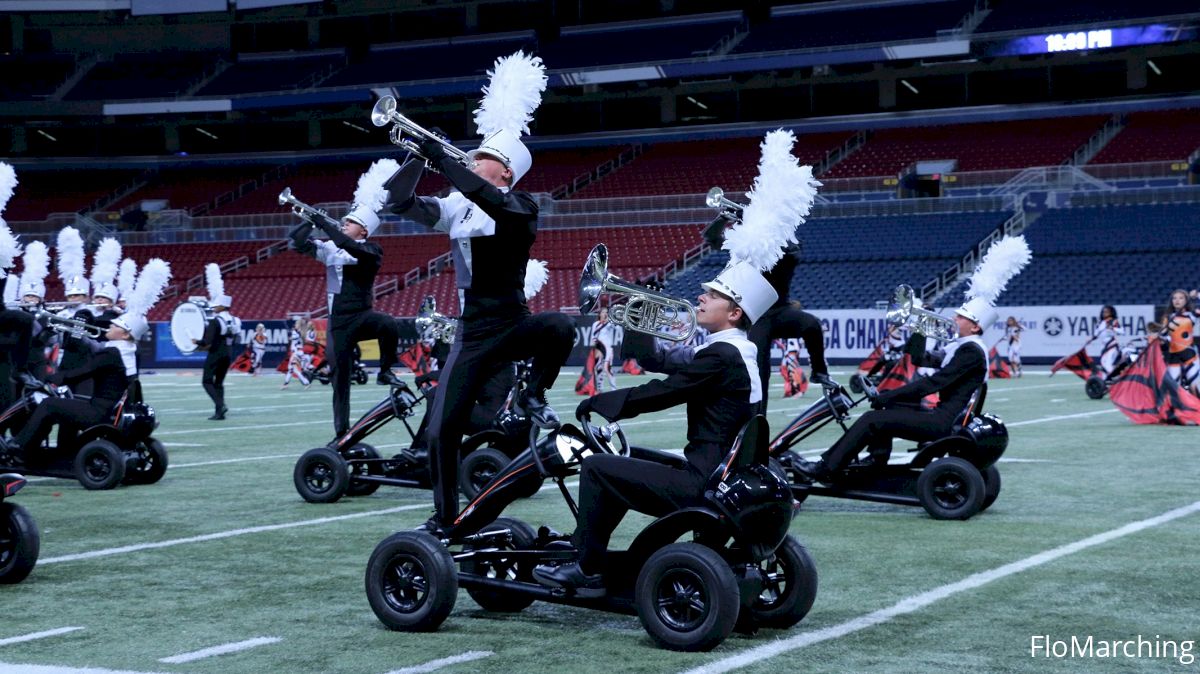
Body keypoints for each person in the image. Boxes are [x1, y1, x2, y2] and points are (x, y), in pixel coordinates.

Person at [532, 261, 777, 591]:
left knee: (596, 468)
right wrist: (642, 315)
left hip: (701, 482)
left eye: (714, 294)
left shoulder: (720, 356)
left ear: (734, 313)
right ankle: (591, 548)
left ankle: (585, 563)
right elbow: (652, 360)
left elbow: (664, 391)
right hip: (720, 475)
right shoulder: (739, 353)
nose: (702, 296)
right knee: (629, 456)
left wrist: (603, 402)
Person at [384, 126, 573, 533]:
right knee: (441, 430)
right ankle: (445, 515)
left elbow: (488, 198)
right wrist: (418, 157)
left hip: (513, 324)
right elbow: (396, 200)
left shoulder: (522, 204)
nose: (472, 158)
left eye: (481, 156)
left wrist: (446, 159)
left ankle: (533, 393)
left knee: (560, 325)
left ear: (505, 171)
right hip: (471, 332)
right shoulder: (458, 206)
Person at [794, 236, 1030, 480]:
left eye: (962, 317)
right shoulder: (964, 348)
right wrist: (919, 327)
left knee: (871, 419)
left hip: (942, 421)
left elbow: (932, 384)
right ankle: (877, 458)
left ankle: (825, 468)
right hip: (946, 416)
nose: (955, 319)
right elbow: (919, 358)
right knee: (886, 407)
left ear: (975, 326)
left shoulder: (970, 351)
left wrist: (885, 394)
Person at [288, 160, 402, 438]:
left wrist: (325, 226)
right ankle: (342, 433)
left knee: (388, 324)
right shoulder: (331, 248)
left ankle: (385, 370)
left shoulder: (372, 250)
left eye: (350, 222)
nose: (344, 222)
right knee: (340, 381)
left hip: (362, 316)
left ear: (363, 230)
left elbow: (346, 244)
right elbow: (297, 242)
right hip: (337, 323)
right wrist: (309, 221)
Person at [0, 321, 130, 461]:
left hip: (99, 411)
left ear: (125, 334)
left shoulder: (112, 352)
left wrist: (53, 378)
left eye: (116, 326)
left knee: (48, 404)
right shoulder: (127, 352)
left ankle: (18, 445)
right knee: (65, 405)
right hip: (109, 409)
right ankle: (53, 450)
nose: (110, 325)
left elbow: (84, 371)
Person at [194, 295, 237, 421]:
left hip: (216, 353)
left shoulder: (215, 321)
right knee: (219, 383)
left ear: (222, 306)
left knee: (206, 381)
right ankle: (219, 413)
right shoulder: (235, 320)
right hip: (228, 353)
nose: (214, 308)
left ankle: (220, 405)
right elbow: (236, 338)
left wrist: (196, 342)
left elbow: (207, 341)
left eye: (217, 305)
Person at [1159, 289, 1199, 395]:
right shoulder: (1167, 317)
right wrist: (1157, 339)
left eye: (1181, 298)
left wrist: (1198, 295)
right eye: (1174, 298)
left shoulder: (1192, 315)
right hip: (1173, 356)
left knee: (1195, 388)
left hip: (1190, 355)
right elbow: (1164, 337)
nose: (1177, 300)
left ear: (1186, 300)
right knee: (1173, 391)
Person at [590, 307, 620, 392]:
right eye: (603, 312)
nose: (604, 314)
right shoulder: (595, 324)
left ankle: (614, 389)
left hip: (608, 350)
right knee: (598, 368)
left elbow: (617, 328)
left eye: (606, 312)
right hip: (598, 349)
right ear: (599, 314)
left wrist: (611, 320)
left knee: (607, 369)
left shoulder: (609, 324)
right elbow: (593, 336)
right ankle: (600, 389)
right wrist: (593, 347)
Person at [282, 317, 311, 388]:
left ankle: (306, 383)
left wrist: (291, 336)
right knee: (290, 369)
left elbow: (293, 338)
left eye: (296, 323)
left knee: (295, 369)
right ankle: (285, 384)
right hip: (299, 352)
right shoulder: (302, 331)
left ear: (299, 325)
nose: (295, 325)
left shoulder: (296, 331)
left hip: (296, 353)